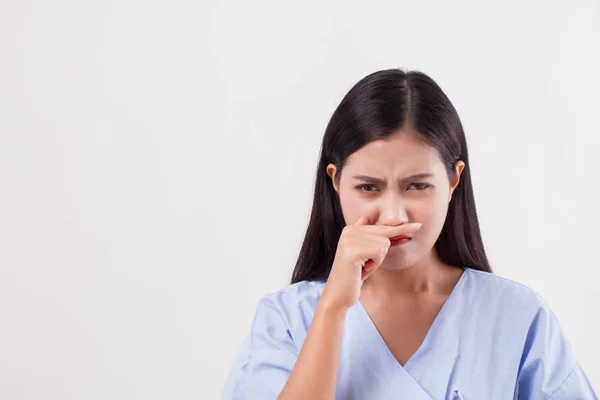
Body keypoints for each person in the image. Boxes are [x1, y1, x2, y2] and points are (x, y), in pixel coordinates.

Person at [221, 68, 598, 399]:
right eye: (368, 187)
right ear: (335, 182)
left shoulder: (518, 317)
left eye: (417, 186)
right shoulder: (285, 320)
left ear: (453, 181)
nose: (394, 213)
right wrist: (333, 307)